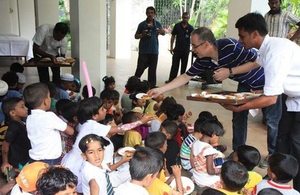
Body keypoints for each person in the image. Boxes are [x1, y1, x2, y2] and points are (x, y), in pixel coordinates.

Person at [148, 27, 281, 158]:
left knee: (272, 121)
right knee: (238, 115)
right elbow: (185, 77)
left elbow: (258, 61)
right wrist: (160, 89)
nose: (193, 50)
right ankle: (238, 152)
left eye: (195, 46)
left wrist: (229, 71)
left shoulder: (230, 46)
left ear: (206, 44)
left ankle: (273, 155)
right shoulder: (203, 60)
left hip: (268, 82)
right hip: (246, 84)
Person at [229, 12, 300, 191]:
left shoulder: (276, 51)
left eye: (242, 35)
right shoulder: (268, 47)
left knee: (296, 145)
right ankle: (275, 178)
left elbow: (270, 99)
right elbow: (254, 64)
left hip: (297, 99)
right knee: (282, 141)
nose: (239, 40)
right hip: (290, 98)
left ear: (255, 34)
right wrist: (230, 71)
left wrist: (241, 107)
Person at [23, 82, 74, 165]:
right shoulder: (49, 116)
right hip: (51, 159)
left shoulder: (29, 118)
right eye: (49, 96)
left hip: (34, 159)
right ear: (46, 101)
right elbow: (70, 131)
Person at [134, 6, 165, 88]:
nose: (150, 14)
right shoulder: (142, 24)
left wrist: (161, 31)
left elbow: (163, 32)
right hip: (143, 51)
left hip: (154, 51)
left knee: (152, 70)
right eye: (148, 13)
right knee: (140, 68)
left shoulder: (157, 24)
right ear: (146, 13)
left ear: (154, 14)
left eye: (152, 13)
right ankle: (133, 84)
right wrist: (142, 34)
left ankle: (151, 86)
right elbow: (136, 36)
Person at [190, 118, 225, 188]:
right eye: (218, 136)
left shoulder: (195, 143)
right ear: (213, 135)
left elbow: (192, 163)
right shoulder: (209, 150)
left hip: (197, 177)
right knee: (225, 179)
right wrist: (221, 170)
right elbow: (210, 171)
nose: (218, 139)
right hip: (206, 182)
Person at [1, 97, 31, 172]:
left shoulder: (20, 123)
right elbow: (5, 145)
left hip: (23, 158)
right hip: (18, 162)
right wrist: (5, 162)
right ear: (13, 113)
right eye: (22, 107)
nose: (26, 108)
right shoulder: (13, 127)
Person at [166, 12, 194, 83]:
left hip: (186, 50)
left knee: (184, 66)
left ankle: (183, 81)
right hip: (177, 49)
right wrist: (171, 47)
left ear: (189, 18)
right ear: (182, 17)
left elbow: (193, 38)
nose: (185, 19)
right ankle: (171, 80)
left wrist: (193, 48)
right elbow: (173, 36)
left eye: (187, 18)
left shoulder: (190, 28)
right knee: (174, 65)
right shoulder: (177, 26)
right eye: (184, 17)